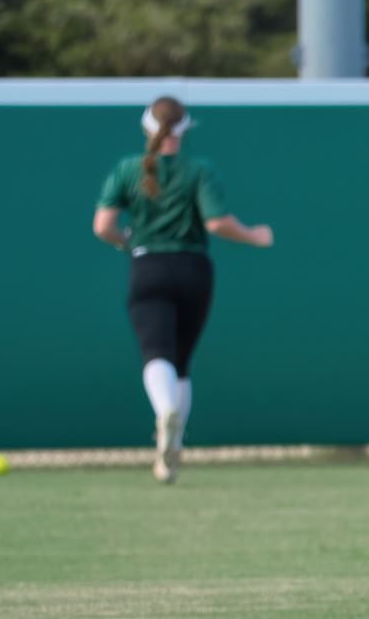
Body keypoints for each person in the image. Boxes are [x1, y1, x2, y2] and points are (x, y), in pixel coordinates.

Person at [92, 97, 273, 483]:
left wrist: (126, 241)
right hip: (193, 269)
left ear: (146, 129)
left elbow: (102, 226)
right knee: (181, 361)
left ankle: (164, 412)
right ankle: (172, 451)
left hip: (146, 266)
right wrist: (255, 236)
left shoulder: (128, 169)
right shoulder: (199, 170)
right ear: (185, 129)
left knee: (155, 353)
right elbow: (217, 223)